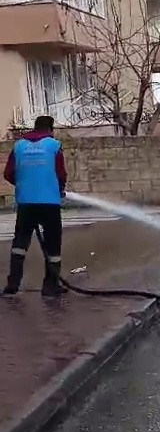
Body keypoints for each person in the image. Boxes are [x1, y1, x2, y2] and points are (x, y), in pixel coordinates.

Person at [3, 115, 67, 297]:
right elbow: (60, 173)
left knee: (20, 244)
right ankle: (50, 286)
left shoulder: (19, 146)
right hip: (49, 203)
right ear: (50, 129)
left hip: (26, 203)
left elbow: (8, 173)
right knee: (53, 245)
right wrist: (60, 188)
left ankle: (12, 285)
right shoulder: (53, 146)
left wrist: (24, 184)